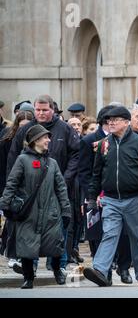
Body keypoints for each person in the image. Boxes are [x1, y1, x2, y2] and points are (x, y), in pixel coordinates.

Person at [83, 106, 138, 287]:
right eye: (109, 120)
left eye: (115, 120)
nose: (111, 122)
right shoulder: (103, 145)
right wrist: (92, 198)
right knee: (109, 234)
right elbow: (96, 174)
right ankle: (100, 270)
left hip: (135, 199)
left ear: (126, 122)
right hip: (110, 200)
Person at [7, 94, 80, 274]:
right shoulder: (26, 130)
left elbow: (76, 155)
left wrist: (64, 178)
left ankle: (59, 266)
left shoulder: (64, 129)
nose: (40, 113)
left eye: (44, 110)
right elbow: (13, 157)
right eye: (37, 110)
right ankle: (29, 268)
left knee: (58, 230)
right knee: (30, 230)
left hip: (59, 188)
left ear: (52, 110)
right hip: (31, 191)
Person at [0, 125, 71, 289]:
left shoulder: (52, 163)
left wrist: (66, 210)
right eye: (45, 137)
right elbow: (12, 184)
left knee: (55, 245)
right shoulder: (22, 160)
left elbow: (61, 189)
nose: (48, 140)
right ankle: (28, 278)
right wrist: (5, 205)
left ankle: (57, 271)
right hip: (27, 212)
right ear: (35, 141)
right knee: (26, 247)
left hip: (50, 212)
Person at [78, 105, 115, 258]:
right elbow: (84, 171)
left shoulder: (120, 139)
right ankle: (98, 260)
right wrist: (92, 194)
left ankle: (112, 261)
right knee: (96, 230)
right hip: (95, 193)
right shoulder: (89, 140)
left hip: (114, 192)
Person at [0, 111, 34, 267]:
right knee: (13, 222)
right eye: (21, 126)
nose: (24, 130)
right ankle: (11, 253)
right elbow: (4, 165)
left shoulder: (36, 141)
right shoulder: (7, 140)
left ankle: (22, 255)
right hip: (13, 184)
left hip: (31, 187)